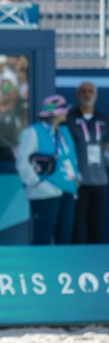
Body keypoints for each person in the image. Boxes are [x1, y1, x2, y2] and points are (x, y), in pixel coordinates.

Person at [17, 95, 81, 244]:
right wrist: (37, 184)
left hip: (67, 192)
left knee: (64, 239)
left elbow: (71, 158)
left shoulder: (64, 132)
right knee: (42, 238)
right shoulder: (33, 132)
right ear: (56, 113)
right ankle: (38, 268)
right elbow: (22, 162)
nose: (66, 113)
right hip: (45, 193)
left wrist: (77, 180)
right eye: (64, 110)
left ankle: (63, 267)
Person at [69, 81, 107, 243]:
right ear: (78, 95)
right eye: (83, 91)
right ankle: (75, 265)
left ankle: (94, 265)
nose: (87, 94)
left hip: (100, 181)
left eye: (90, 91)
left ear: (96, 95)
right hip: (78, 182)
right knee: (76, 226)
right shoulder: (70, 118)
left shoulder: (104, 119)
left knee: (96, 226)